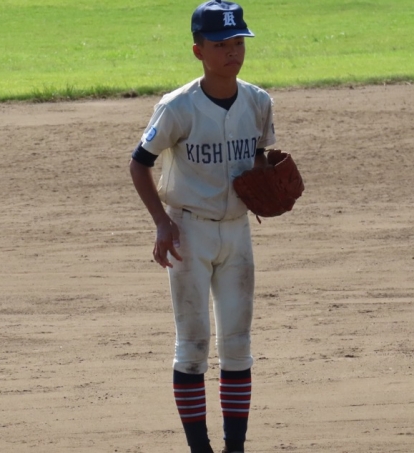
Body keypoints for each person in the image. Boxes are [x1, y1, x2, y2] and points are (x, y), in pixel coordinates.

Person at [128, 1, 276, 452]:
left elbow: (258, 159)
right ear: (198, 51)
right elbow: (139, 164)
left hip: (237, 232)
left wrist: (268, 181)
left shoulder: (258, 102)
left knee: (238, 345)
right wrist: (161, 223)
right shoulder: (178, 107)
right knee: (192, 347)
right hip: (188, 233)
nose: (232, 51)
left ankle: (235, 448)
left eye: (238, 42)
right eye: (220, 44)